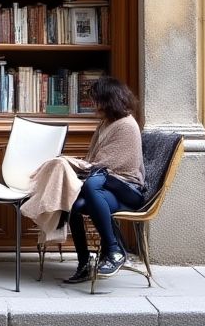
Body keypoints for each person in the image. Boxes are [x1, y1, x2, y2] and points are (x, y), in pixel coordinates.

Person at [62, 76, 145, 284]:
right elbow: (97, 162)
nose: (93, 104)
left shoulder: (126, 125)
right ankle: (84, 264)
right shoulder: (106, 123)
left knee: (93, 182)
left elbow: (113, 165)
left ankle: (114, 251)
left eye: (96, 100)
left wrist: (78, 165)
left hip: (128, 188)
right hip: (107, 188)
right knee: (72, 202)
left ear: (109, 99)